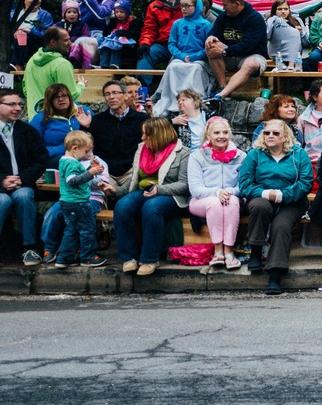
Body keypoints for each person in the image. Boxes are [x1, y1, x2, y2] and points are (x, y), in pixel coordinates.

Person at [237, 118, 314, 294]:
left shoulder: (298, 154)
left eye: (275, 133)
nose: (270, 136)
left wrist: (282, 195)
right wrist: (265, 193)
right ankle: (255, 251)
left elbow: (306, 182)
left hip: (292, 200)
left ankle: (275, 273)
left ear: (285, 136)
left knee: (281, 225)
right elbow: (245, 184)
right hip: (262, 196)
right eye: (267, 133)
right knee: (260, 207)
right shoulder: (255, 154)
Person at [111, 116, 189, 275]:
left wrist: (159, 190)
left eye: (147, 134)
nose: (142, 138)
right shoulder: (142, 150)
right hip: (144, 191)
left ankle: (150, 259)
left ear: (159, 134)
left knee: (151, 207)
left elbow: (185, 185)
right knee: (122, 205)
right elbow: (134, 179)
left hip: (170, 195)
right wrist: (115, 191)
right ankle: (129, 258)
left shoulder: (183, 153)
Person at [187, 116, 243, 270]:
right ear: (208, 135)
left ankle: (229, 252)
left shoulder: (241, 156)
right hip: (201, 201)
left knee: (232, 202)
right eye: (216, 133)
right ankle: (218, 251)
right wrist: (217, 192)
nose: (221, 136)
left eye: (225, 132)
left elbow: (243, 185)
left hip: (230, 197)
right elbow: (195, 189)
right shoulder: (197, 156)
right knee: (215, 203)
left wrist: (229, 191)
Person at [0, 89, 47, 265]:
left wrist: (21, 178)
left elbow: (41, 160)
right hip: (0, 186)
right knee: (2, 201)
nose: (18, 108)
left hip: (23, 184)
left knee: (24, 196)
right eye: (11, 104)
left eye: (19, 104)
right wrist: (2, 180)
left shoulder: (27, 131)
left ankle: (30, 248)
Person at [204, 0, 269, 100]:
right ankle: (222, 87)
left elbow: (248, 45)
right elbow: (214, 31)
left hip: (252, 54)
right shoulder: (224, 16)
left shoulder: (255, 18)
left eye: (225, 5)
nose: (223, 8)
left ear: (237, 4)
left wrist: (225, 51)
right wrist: (210, 37)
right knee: (211, 49)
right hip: (229, 53)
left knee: (250, 64)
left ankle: (221, 95)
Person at [53, 131, 103, 268]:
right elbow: (72, 180)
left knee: (72, 229)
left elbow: (78, 174)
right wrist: (90, 173)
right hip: (78, 202)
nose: (87, 155)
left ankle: (64, 258)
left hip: (68, 202)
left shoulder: (65, 161)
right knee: (87, 229)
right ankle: (88, 257)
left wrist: (89, 169)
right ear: (74, 148)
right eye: (86, 151)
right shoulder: (72, 164)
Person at [86, 78, 148, 178]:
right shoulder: (96, 120)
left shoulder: (142, 119)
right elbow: (84, 146)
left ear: (125, 95)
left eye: (115, 93)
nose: (111, 97)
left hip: (132, 171)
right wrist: (85, 126)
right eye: (107, 94)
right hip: (104, 171)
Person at [23, 27, 78, 116]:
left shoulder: (31, 61)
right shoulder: (63, 64)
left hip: (34, 119)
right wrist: (81, 85)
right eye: (66, 40)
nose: (70, 43)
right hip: (56, 122)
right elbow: (70, 95)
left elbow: (25, 89)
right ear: (53, 42)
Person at [32, 84, 90, 159]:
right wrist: (54, 151)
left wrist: (87, 126)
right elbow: (32, 145)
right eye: (56, 97)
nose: (61, 99)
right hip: (56, 159)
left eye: (64, 96)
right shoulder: (40, 118)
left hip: (85, 157)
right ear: (50, 101)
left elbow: (99, 135)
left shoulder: (83, 111)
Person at [264, 0, 305, 69]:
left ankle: (291, 64)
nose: (283, 11)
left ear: (289, 10)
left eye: (286, 9)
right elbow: (266, 35)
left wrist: (301, 33)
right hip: (277, 53)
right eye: (280, 9)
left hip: (295, 53)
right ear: (274, 10)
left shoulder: (296, 21)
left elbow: (306, 43)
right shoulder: (271, 20)